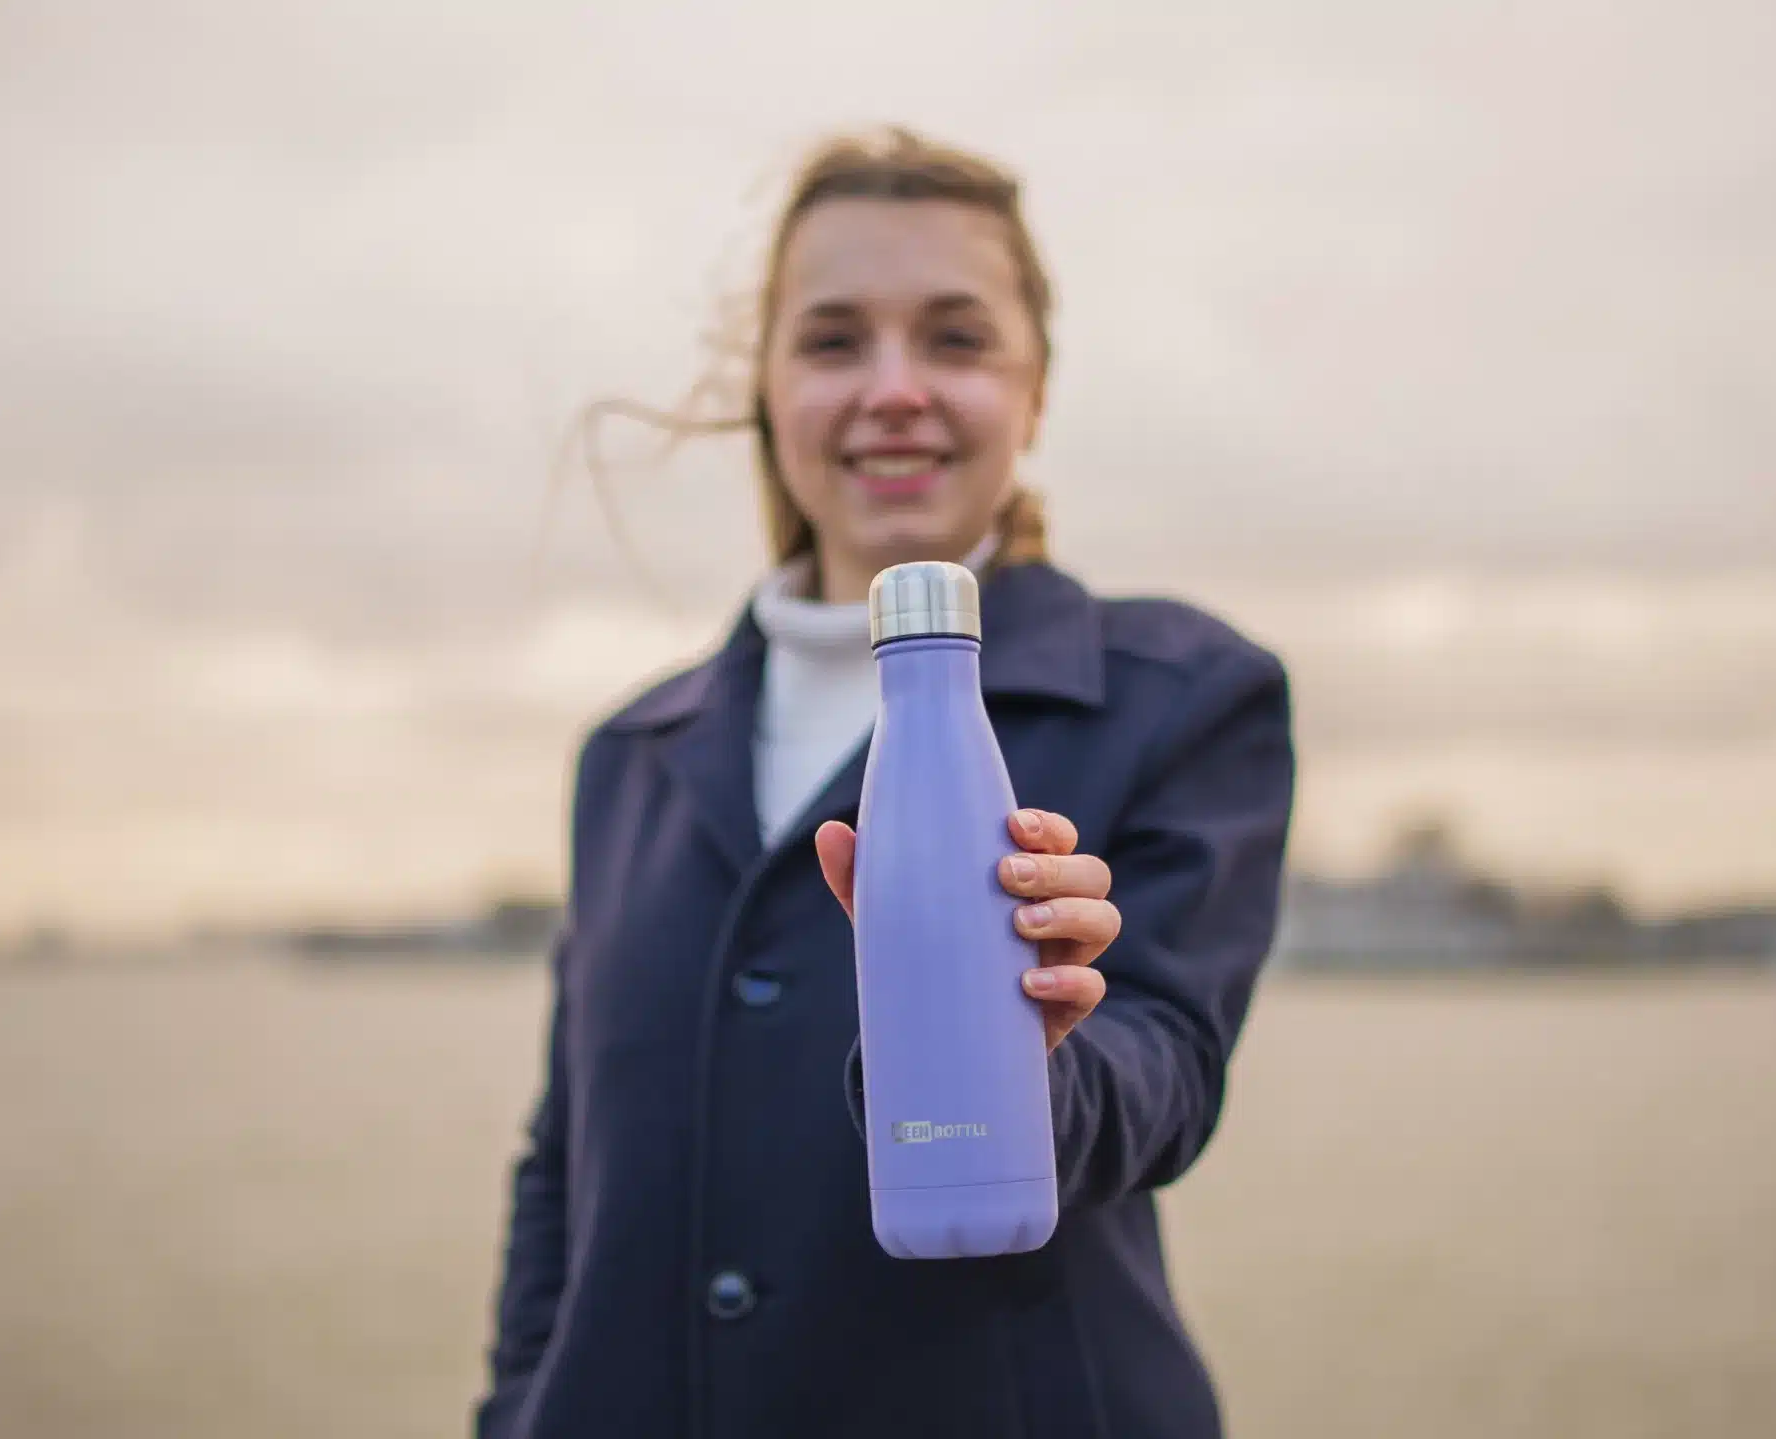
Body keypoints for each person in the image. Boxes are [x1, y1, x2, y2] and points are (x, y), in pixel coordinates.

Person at [476, 127, 1296, 1439]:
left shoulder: (1181, 694)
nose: (896, 388)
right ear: (767, 391)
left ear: (1036, 392)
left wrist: (1036, 1060)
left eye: (958, 339)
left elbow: (1166, 1069)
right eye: (834, 339)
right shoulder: (630, 755)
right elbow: (566, 1165)